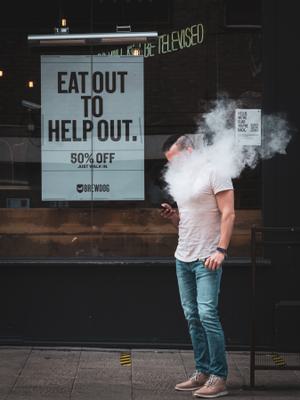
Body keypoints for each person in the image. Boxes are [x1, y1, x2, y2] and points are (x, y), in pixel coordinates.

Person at [160, 134, 235, 398]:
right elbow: (187, 222)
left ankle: (219, 376)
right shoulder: (182, 180)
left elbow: (228, 213)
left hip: (207, 258)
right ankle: (202, 371)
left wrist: (221, 250)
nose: (174, 166)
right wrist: (174, 217)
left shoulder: (216, 172)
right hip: (183, 257)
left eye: (176, 159)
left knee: (207, 315)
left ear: (190, 150)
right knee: (192, 317)